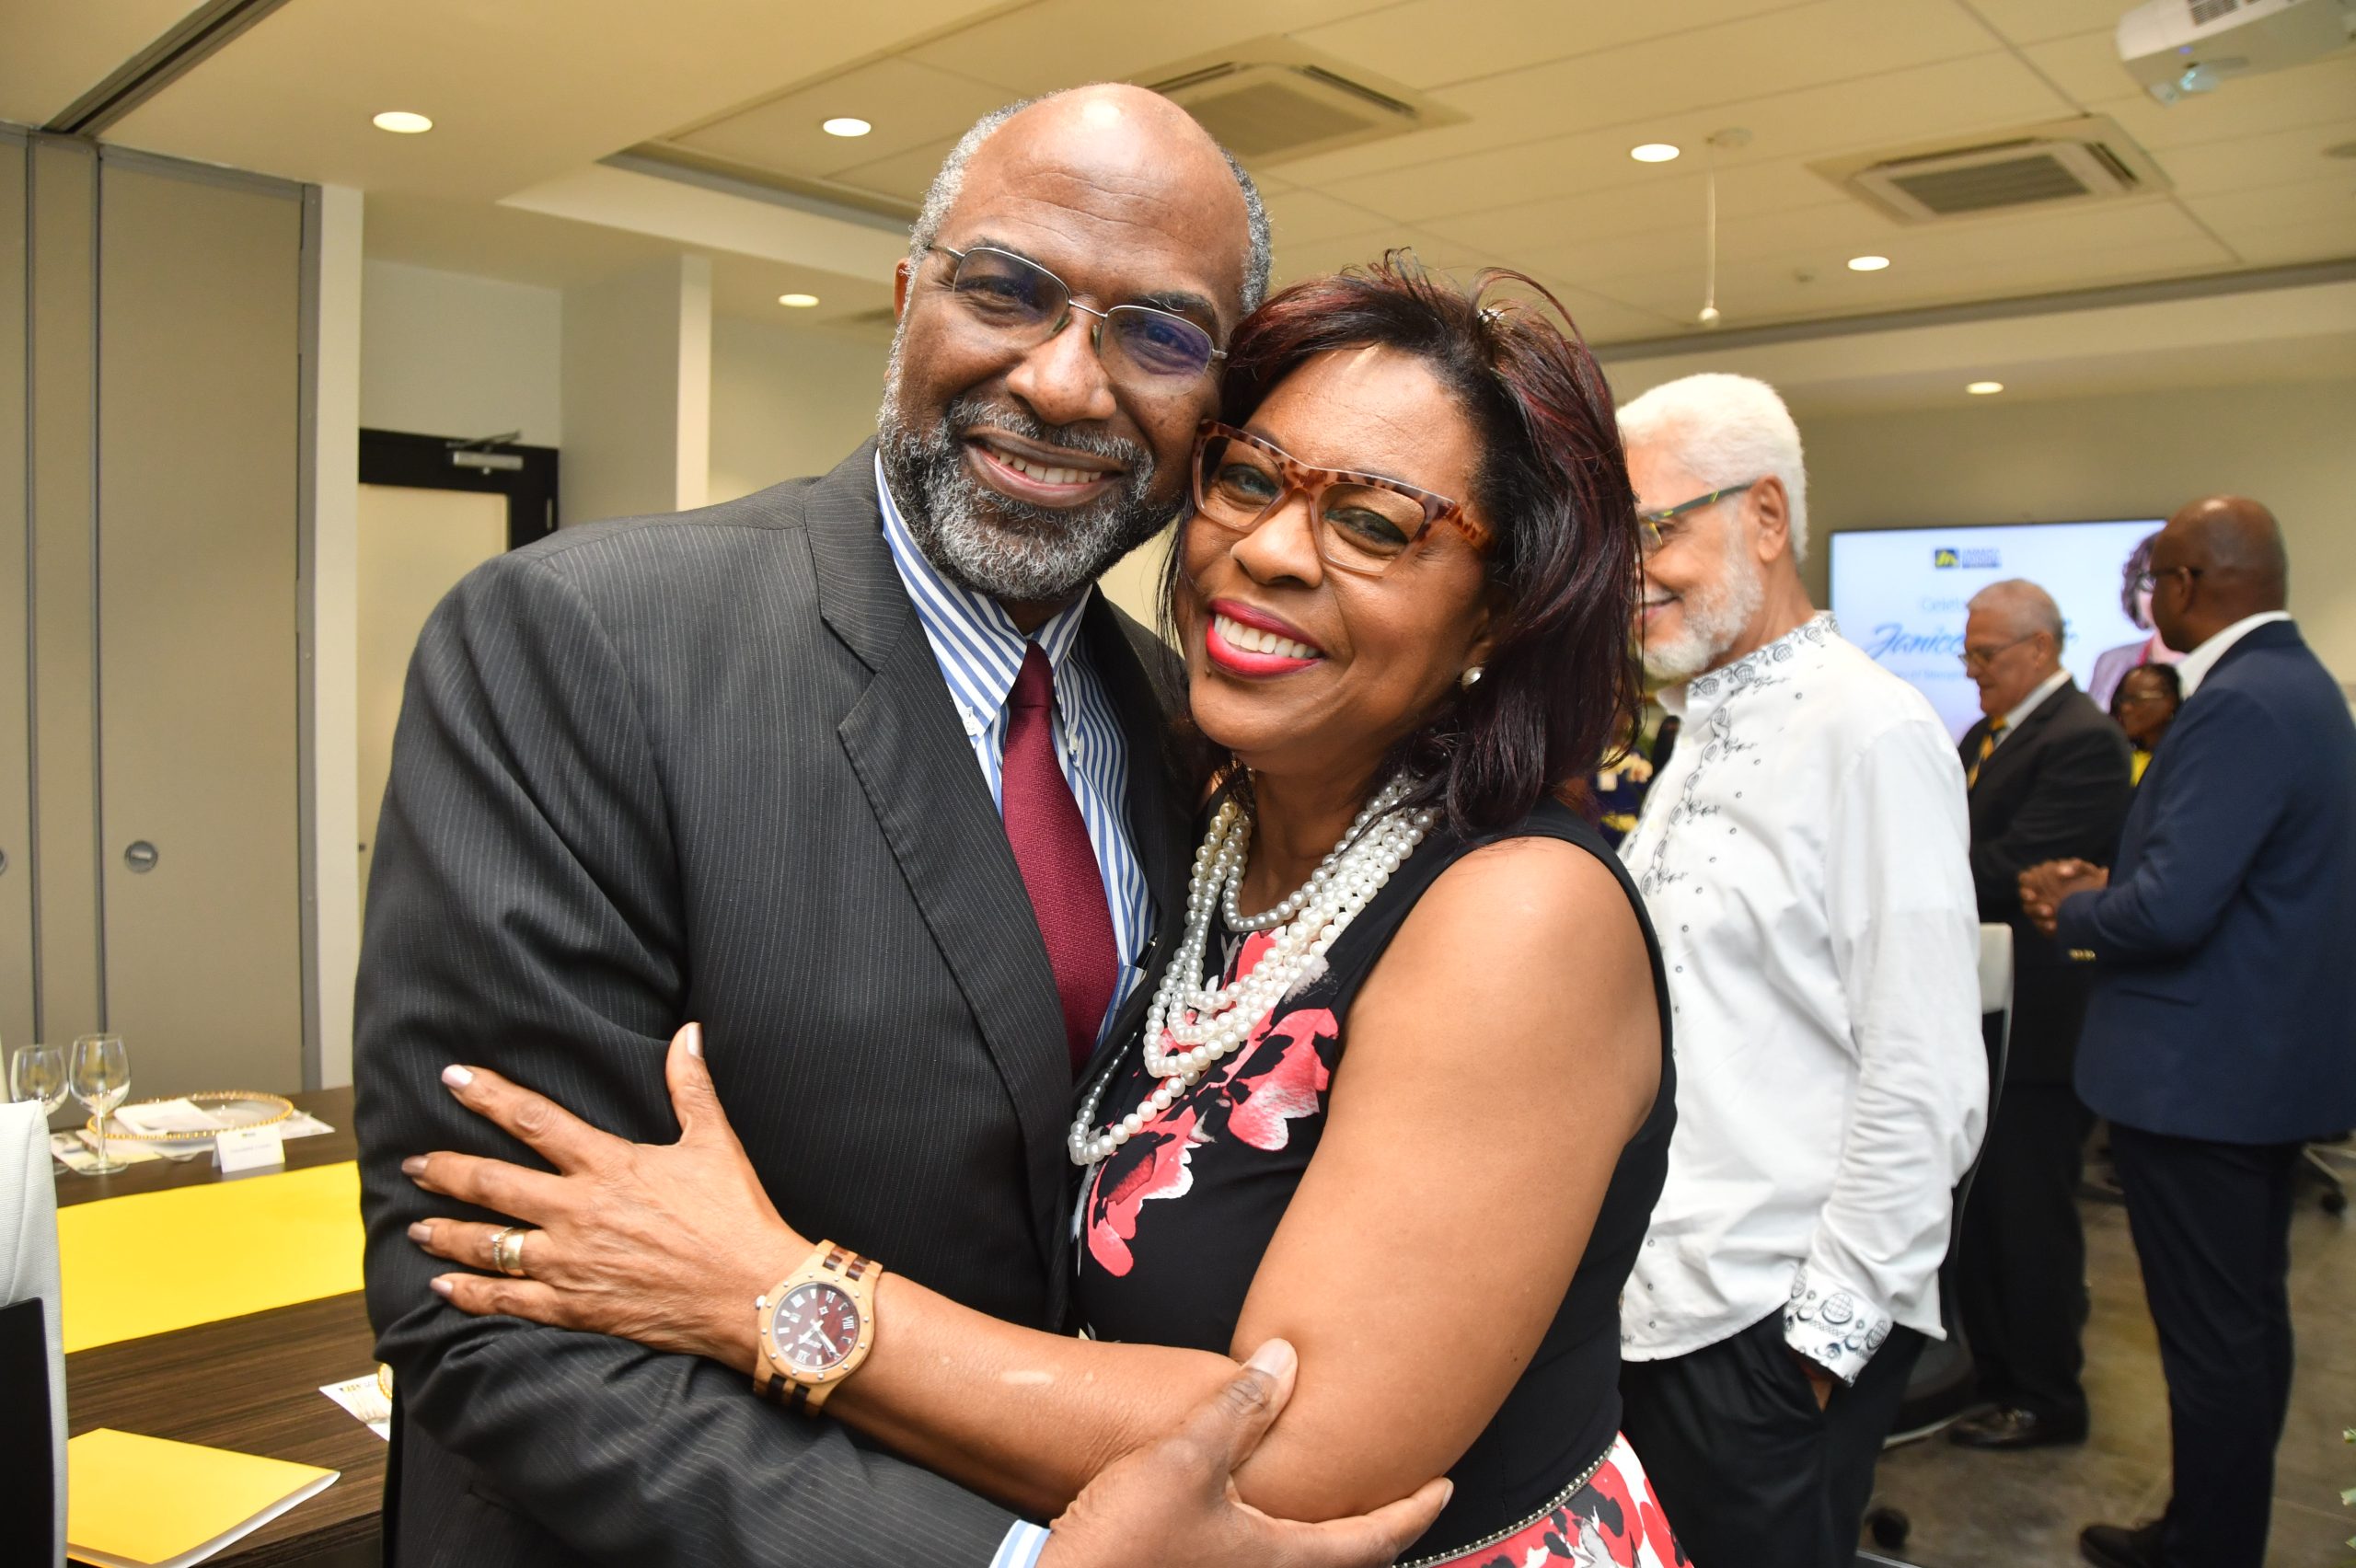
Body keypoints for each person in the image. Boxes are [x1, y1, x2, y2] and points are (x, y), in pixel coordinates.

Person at [394, 259, 1692, 1568]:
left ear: (1504, 607)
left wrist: (767, 1291)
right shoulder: (1203, 807)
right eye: (1248, 480)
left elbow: (1298, 1452)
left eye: (1372, 523)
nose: (1269, 550)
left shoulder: (1519, 916)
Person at [1610, 372, 1986, 1568]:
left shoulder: (1869, 731)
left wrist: (1820, 1349)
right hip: (1657, 1309)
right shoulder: (1695, 729)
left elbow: (1923, 1076)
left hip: (1764, 1332)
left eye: (1654, 530)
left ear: (1765, 517)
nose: (1629, 573)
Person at [2020, 496, 2356, 1568]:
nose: (2145, 600)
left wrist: (2074, 906)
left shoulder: (2238, 703)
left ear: (2188, 585)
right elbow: (2226, 883)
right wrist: (2116, 885)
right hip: (2254, 1070)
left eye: (2151, 579)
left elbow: (2169, 911)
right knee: (2243, 1327)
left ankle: (2207, 1545)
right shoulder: (2299, 688)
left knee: (2214, 1340)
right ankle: (2206, 1527)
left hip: (2200, 1082)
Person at [1945, 580, 2132, 1452]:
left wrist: (1916, 867)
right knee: (1987, 1214)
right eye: (1968, 652)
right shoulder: (1988, 735)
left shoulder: (2083, 739)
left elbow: (2017, 867)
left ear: (2041, 648)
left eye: (1985, 654)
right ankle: (1992, 1374)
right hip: (1986, 1009)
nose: (1971, 669)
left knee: (2030, 1218)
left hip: (2043, 1026)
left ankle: (2046, 1393)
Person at [2088, 529, 2186, 712]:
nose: (2161, 593)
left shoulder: (2218, 665)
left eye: (2175, 580)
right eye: (2151, 580)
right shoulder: (2110, 663)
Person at [2109, 663, 2181, 784]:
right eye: (2122, 699)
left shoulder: (2183, 761)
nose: (2125, 708)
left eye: (2135, 699)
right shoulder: (2122, 763)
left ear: (2170, 701)